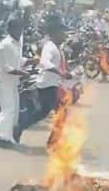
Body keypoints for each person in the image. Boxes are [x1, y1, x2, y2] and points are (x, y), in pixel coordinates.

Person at [13, 16, 72, 144]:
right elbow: (45, 62)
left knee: (42, 113)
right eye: (62, 32)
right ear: (54, 33)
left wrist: (68, 72)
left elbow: (59, 65)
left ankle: (19, 128)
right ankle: (53, 142)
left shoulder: (58, 48)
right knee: (61, 112)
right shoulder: (49, 47)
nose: (65, 35)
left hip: (52, 85)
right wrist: (60, 72)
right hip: (47, 86)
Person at [0, 17, 30, 148]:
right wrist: (22, 73)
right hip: (4, 82)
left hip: (13, 82)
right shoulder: (5, 44)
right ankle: (0, 137)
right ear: (11, 29)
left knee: (14, 110)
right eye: (17, 28)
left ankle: (2, 136)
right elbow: (5, 68)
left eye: (21, 29)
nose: (20, 31)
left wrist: (30, 61)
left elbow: (17, 61)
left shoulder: (17, 43)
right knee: (8, 110)